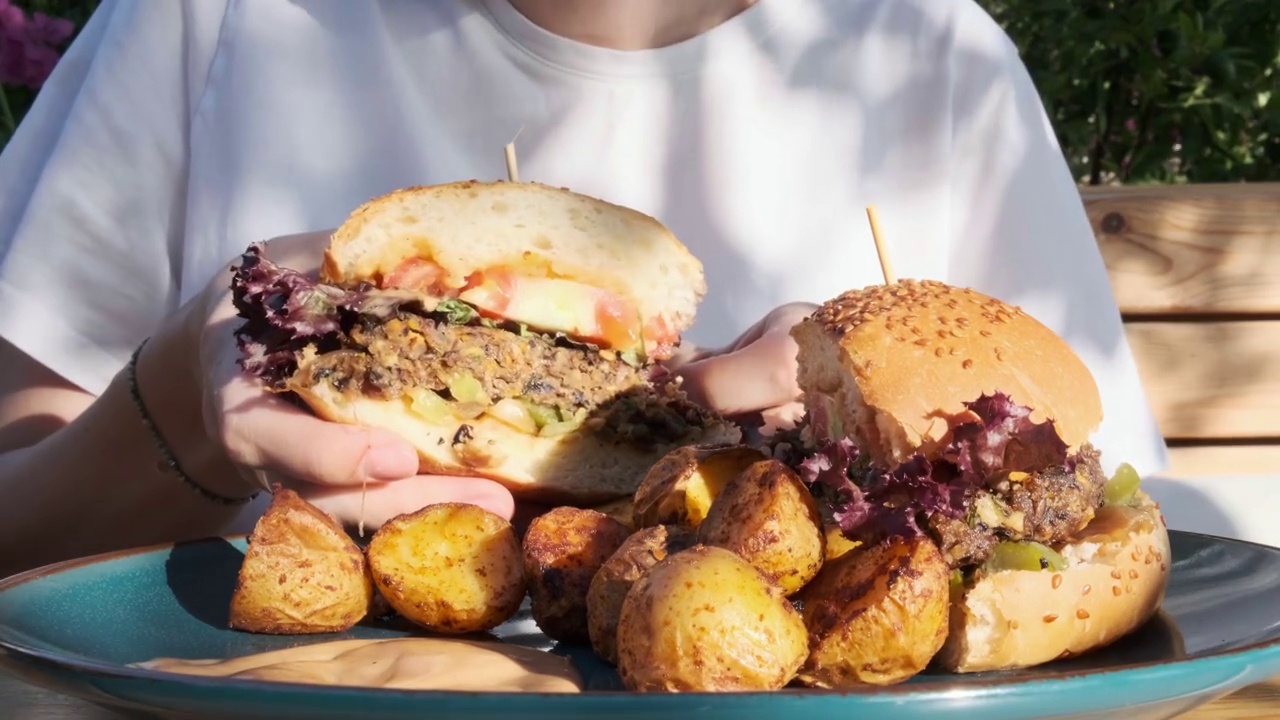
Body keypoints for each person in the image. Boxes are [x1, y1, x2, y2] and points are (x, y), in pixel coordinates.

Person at [0, 0, 1168, 576]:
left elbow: (1098, 550)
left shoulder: (930, 60)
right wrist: (182, 407)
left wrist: (832, 477)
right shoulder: (215, 24)